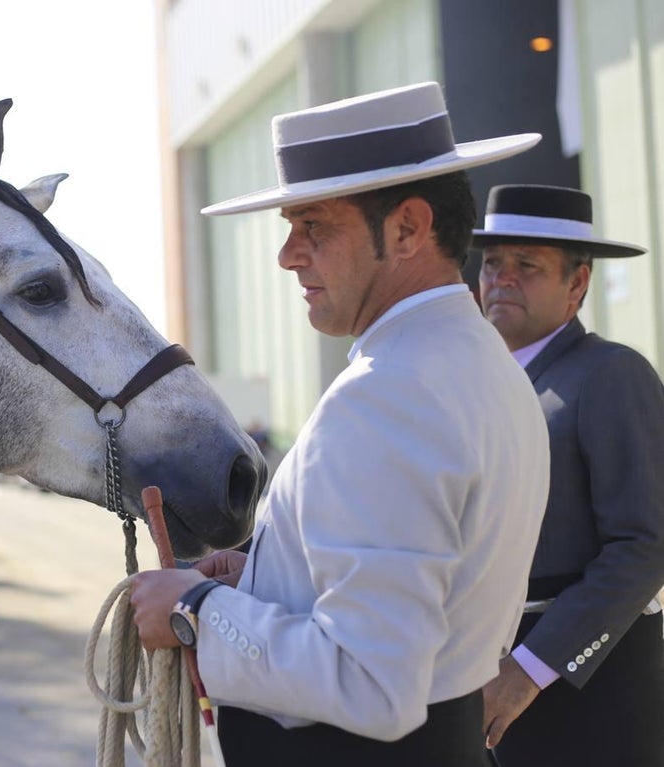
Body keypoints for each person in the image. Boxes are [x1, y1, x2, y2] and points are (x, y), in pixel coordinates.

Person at [128, 81, 551, 766]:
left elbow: (370, 681)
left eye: (315, 226)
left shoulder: (386, 393)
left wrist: (197, 609)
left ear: (409, 228)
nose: (288, 254)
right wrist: (268, 575)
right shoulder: (483, 364)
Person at [474, 184, 664, 766]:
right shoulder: (480, 386)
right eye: (491, 263)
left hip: (588, 698)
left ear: (577, 284)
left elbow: (644, 546)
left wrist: (529, 672)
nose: (502, 278)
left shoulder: (609, 374)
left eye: (527, 265)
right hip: (487, 689)